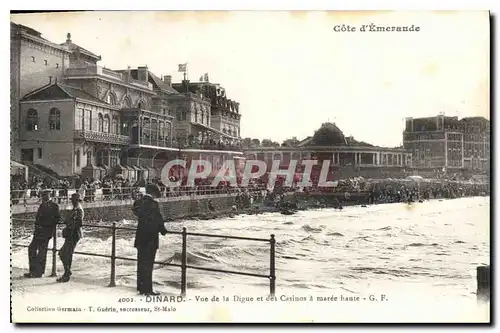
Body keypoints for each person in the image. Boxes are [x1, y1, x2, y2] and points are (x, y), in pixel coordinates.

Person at [133, 184, 168, 295]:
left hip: (140, 238)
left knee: (140, 263)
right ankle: (148, 290)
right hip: (150, 239)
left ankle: (140, 287)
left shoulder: (138, 203)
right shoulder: (154, 204)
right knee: (148, 265)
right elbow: (158, 220)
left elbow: (137, 213)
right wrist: (163, 230)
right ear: (153, 193)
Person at [24, 190, 60, 278]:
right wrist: (37, 227)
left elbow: (57, 219)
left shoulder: (54, 206)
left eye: (45, 195)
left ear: (49, 195)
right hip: (38, 232)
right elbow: (38, 219)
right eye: (42, 195)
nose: (43, 197)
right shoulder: (42, 205)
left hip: (46, 232)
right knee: (31, 248)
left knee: (42, 252)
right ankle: (33, 270)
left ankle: (39, 273)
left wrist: (46, 226)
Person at [57, 193, 83, 283]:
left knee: (65, 253)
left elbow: (79, 223)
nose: (72, 201)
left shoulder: (79, 209)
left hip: (74, 234)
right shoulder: (75, 209)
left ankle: (67, 274)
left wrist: (68, 227)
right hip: (70, 234)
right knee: (63, 253)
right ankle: (67, 272)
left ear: (77, 200)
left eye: (73, 200)